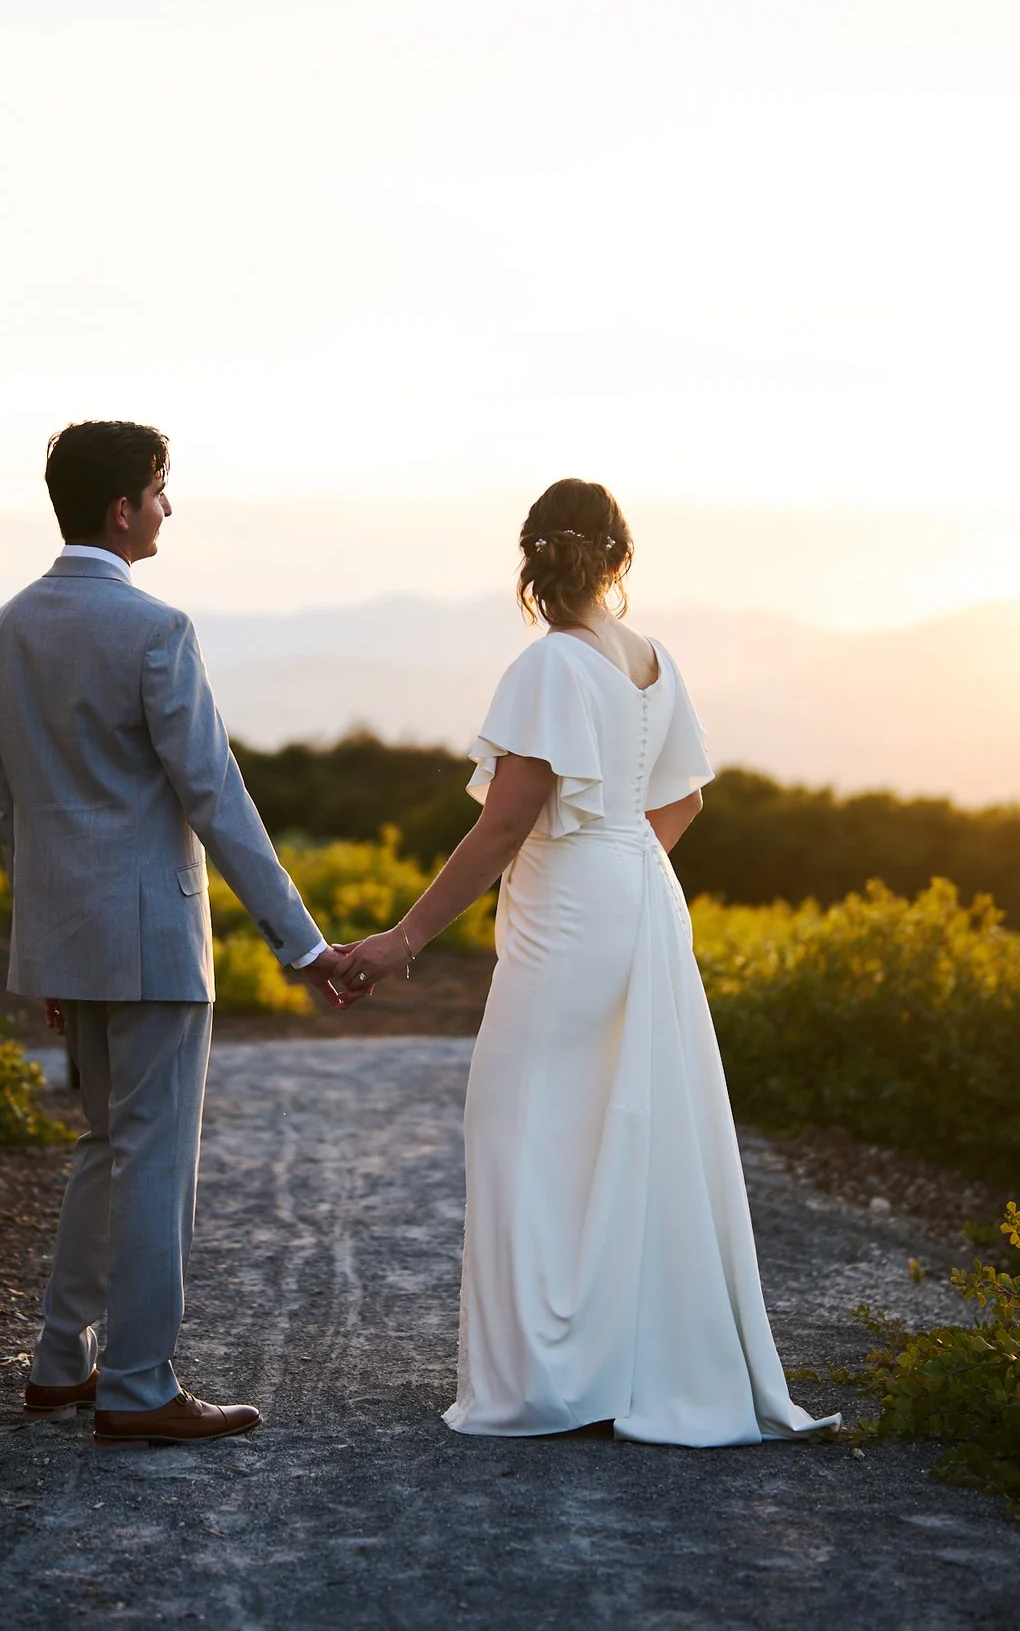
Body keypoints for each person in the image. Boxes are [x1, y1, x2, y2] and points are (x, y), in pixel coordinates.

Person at [339, 479, 838, 1446]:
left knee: (522, 1118)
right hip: (642, 892)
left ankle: (547, 1378)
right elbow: (684, 801)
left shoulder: (548, 667)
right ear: (620, 554)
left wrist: (401, 941)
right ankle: (619, 1365)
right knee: (623, 1122)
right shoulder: (655, 660)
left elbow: (506, 825)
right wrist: (622, 859)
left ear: (530, 559)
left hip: (569, 908)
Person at [0, 420, 364, 1449]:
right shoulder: (157, 631)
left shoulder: (4, 630)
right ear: (121, 508)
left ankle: (61, 1363)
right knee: (152, 1157)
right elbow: (216, 796)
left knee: (107, 1143)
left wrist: (47, 945)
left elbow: (8, 799)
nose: (166, 507)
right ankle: (139, 1382)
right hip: (150, 940)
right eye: (158, 490)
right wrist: (303, 941)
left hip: (70, 938)